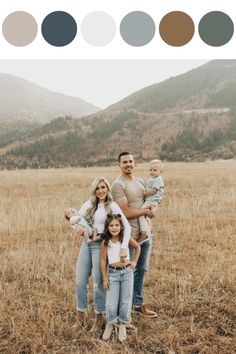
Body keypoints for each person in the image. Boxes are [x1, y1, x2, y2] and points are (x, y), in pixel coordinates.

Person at [73, 177, 131, 332]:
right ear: (94, 190)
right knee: (80, 282)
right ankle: (80, 318)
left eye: (103, 187)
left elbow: (126, 226)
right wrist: (78, 228)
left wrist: (124, 247)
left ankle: (99, 318)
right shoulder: (88, 204)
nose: (101, 191)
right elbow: (75, 220)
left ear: (108, 189)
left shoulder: (112, 206)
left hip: (101, 246)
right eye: (98, 188)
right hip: (86, 245)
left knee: (98, 284)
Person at [111, 152, 158, 318]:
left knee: (142, 269)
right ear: (119, 164)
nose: (128, 164)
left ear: (134, 163)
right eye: (125, 162)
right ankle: (122, 311)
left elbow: (148, 202)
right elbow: (125, 212)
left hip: (146, 233)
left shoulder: (139, 182)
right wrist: (144, 211)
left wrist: (152, 209)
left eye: (131, 161)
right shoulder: (118, 185)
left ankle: (137, 304)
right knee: (127, 272)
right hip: (129, 236)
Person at [101, 213, 140, 342]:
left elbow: (138, 247)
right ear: (107, 227)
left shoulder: (125, 239)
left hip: (127, 273)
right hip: (113, 273)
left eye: (117, 225)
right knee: (111, 302)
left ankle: (123, 323)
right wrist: (105, 278)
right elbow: (103, 262)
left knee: (125, 300)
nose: (114, 228)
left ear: (121, 226)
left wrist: (134, 262)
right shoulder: (105, 243)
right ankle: (111, 323)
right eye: (111, 225)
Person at [138, 159, 164, 244]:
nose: (152, 172)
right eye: (150, 170)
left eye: (155, 170)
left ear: (160, 171)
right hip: (151, 201)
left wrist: (145, 193)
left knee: (140, 214)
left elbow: (154, 190)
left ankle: (144, 232)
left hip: (151, 201)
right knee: (146, 216)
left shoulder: (158, 179)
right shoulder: (153, 179)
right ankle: (149, 230)